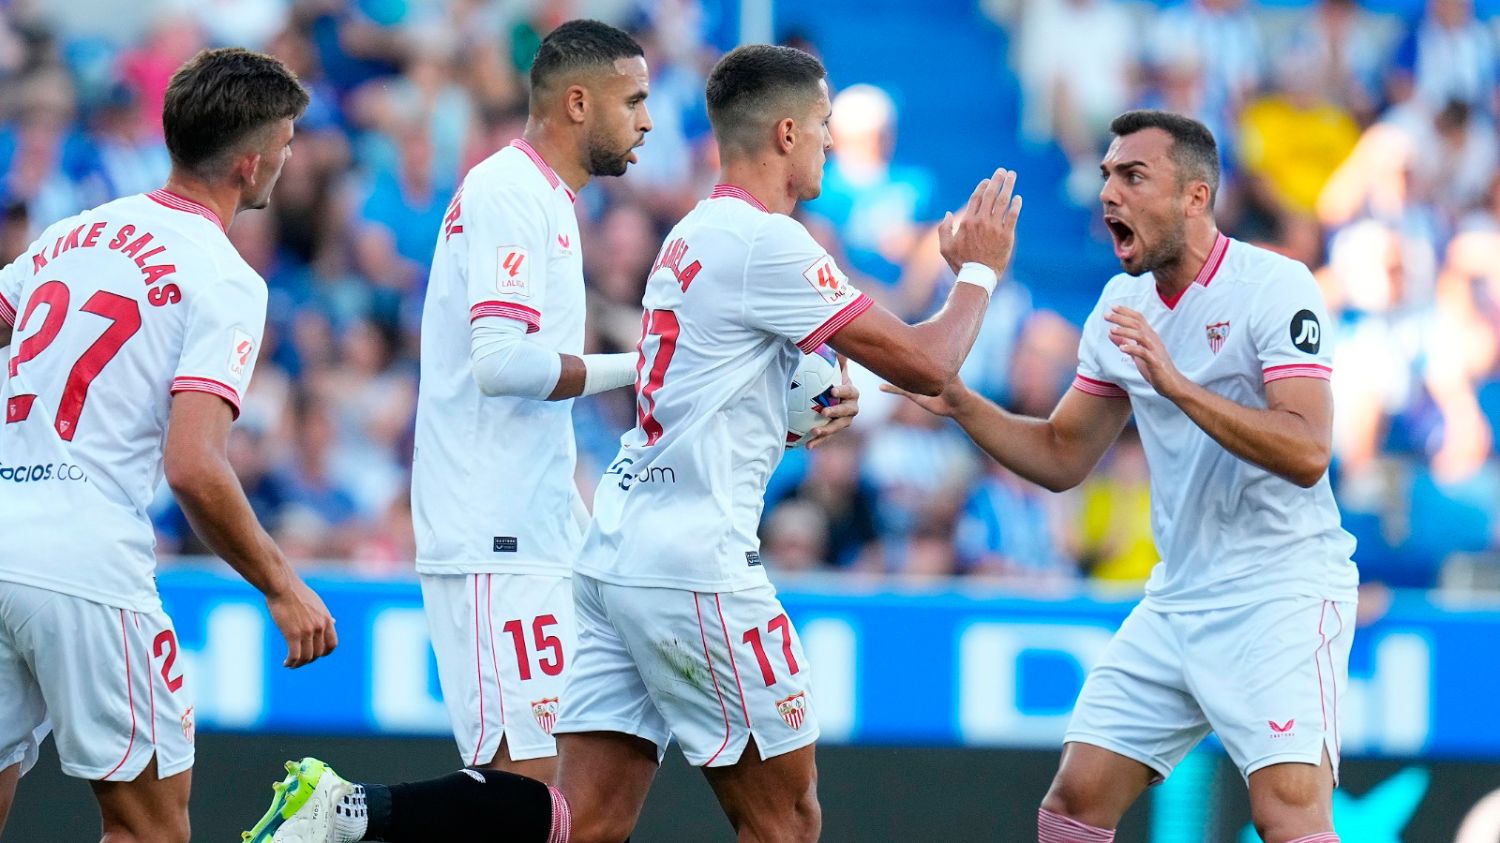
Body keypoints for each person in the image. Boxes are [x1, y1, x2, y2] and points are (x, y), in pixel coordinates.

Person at [552, 44, 1019, 843]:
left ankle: (373, 817)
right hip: (696, 565)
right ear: (788, 133)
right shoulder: (766, 242)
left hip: (618, 554)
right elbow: (930, 365)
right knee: (788, 821)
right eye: (828, 125)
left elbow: (708, 388)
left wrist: (791, 413)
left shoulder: (690, 237)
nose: (833, 142)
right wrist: (977, 275)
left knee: (587, 823)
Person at [239, 19, 667, 843]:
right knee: (526, 791)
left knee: (562, 811)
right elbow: (503, 362)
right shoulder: (509, 190)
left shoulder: (546, 199)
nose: (648, 119)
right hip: (489, 533)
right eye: (633, 99)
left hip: (533, 529)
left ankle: (350, 814)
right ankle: (345, 810)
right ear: (578, 103)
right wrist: (636, 368)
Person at [888, 110, 1356, 843]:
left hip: (1282, 589)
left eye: (1133, 176)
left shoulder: (1275, 286)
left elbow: (1307, 452)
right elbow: (1061, 456)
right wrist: (961, 402)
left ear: (1196, 198)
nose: (1109, 193)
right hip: (1179, 595)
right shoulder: (1121, 305)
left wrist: (1176, 386)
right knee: (1074, 802)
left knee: (1288, 817)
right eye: (1106, 175)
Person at [0, 47, 337, 843]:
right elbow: (193, 464)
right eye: (287, 145)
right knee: (149, 827)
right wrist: (282, 584)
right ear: (250, 163)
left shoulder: (70, 234)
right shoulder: (223, 276)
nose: (288, 161)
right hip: (84, 561)